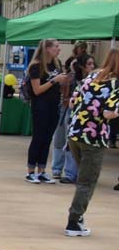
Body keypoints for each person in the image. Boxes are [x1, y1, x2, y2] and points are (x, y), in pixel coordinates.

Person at [64, 48, 119, 236]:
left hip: (75, 133)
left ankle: (77, 217)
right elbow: (108, 113)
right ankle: (73, 221)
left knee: (83, 179)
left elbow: (72, 102)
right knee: (87, 182)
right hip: (94, 138)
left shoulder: (91, 77)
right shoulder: (116, 83)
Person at [24, 38, 70, 184]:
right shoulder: (36, 66)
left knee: (48, 138)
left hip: (54, 105)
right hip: (40, 106)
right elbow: (37, 90)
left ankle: (42, 170)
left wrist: (64, 82)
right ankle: (30, 171)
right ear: (47, 49)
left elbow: (57, 85)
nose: (59, 49)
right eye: (56, 46)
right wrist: (54, 80)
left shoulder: (57, 64)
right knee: (38, 137)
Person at [51, 42, 89, 181]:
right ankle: (57, 168)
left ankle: (70, 172)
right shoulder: (68, 75)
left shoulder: (87, 79)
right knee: (60, 138)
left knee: (70, 141)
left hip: (76, 110)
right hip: (65, 107)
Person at [61, 54, 95, 184]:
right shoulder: (74, 79)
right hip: (74, 113)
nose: (92, 66)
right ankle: (70, 173)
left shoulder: (96, 80)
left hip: (90, 115)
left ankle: (83, 174)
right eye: (89, 64)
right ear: (82, 66)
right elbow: (69, 99)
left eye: (93, 64)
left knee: (86, 146)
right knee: (71, 143)